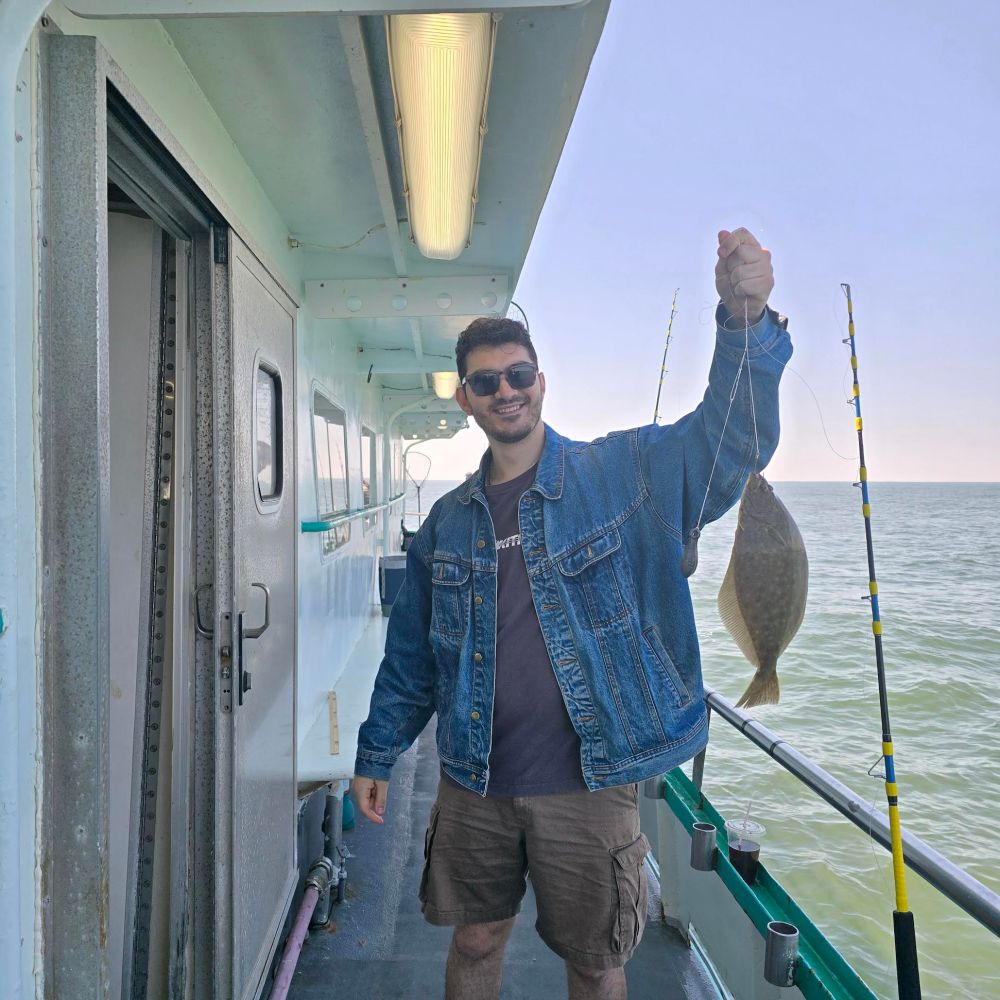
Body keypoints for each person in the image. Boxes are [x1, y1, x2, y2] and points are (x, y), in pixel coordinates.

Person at [352, 228, 791, 999]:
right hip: (472, 777)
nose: (505, 390)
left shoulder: (625, 473)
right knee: (477, 937)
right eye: (485, 382)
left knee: (594, 961)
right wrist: (377, 752)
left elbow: (726, 443)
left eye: (517, 374)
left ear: (542, 382)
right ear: (465, 398)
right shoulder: (446, 526)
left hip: (590, 782)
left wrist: (744, 322)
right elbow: (412, 659)